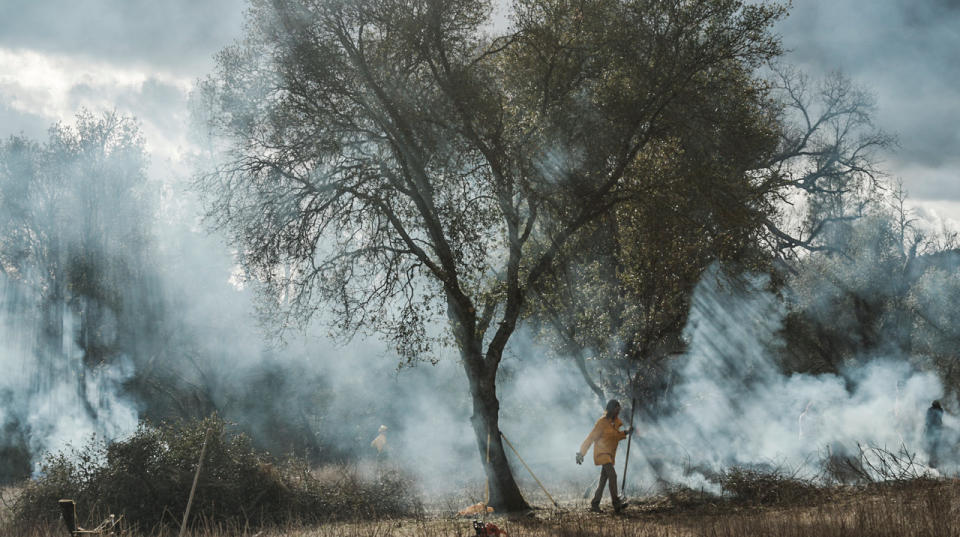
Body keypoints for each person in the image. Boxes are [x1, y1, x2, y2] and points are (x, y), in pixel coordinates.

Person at [576, 399, 633, 513]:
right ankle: (616, 504)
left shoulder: (615, 423)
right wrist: (581, 453)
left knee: (603, 480)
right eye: (616, 409)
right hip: (601, 453)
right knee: (613, 475)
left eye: (619, 409)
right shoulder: (602, 422)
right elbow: (591, 437)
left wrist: (626, 432)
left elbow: (615, 436)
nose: (618, 412)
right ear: (611, 409)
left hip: (610, 454)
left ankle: (595, 504)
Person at [925, 401, 944, 468]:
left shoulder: (937, 410)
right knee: (932, 448)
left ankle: (934, 463)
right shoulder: (933, 410)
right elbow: (928, 421)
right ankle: (932, 463)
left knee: (934, 448)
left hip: (936, 431)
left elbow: (928, 421)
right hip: (932, 431)